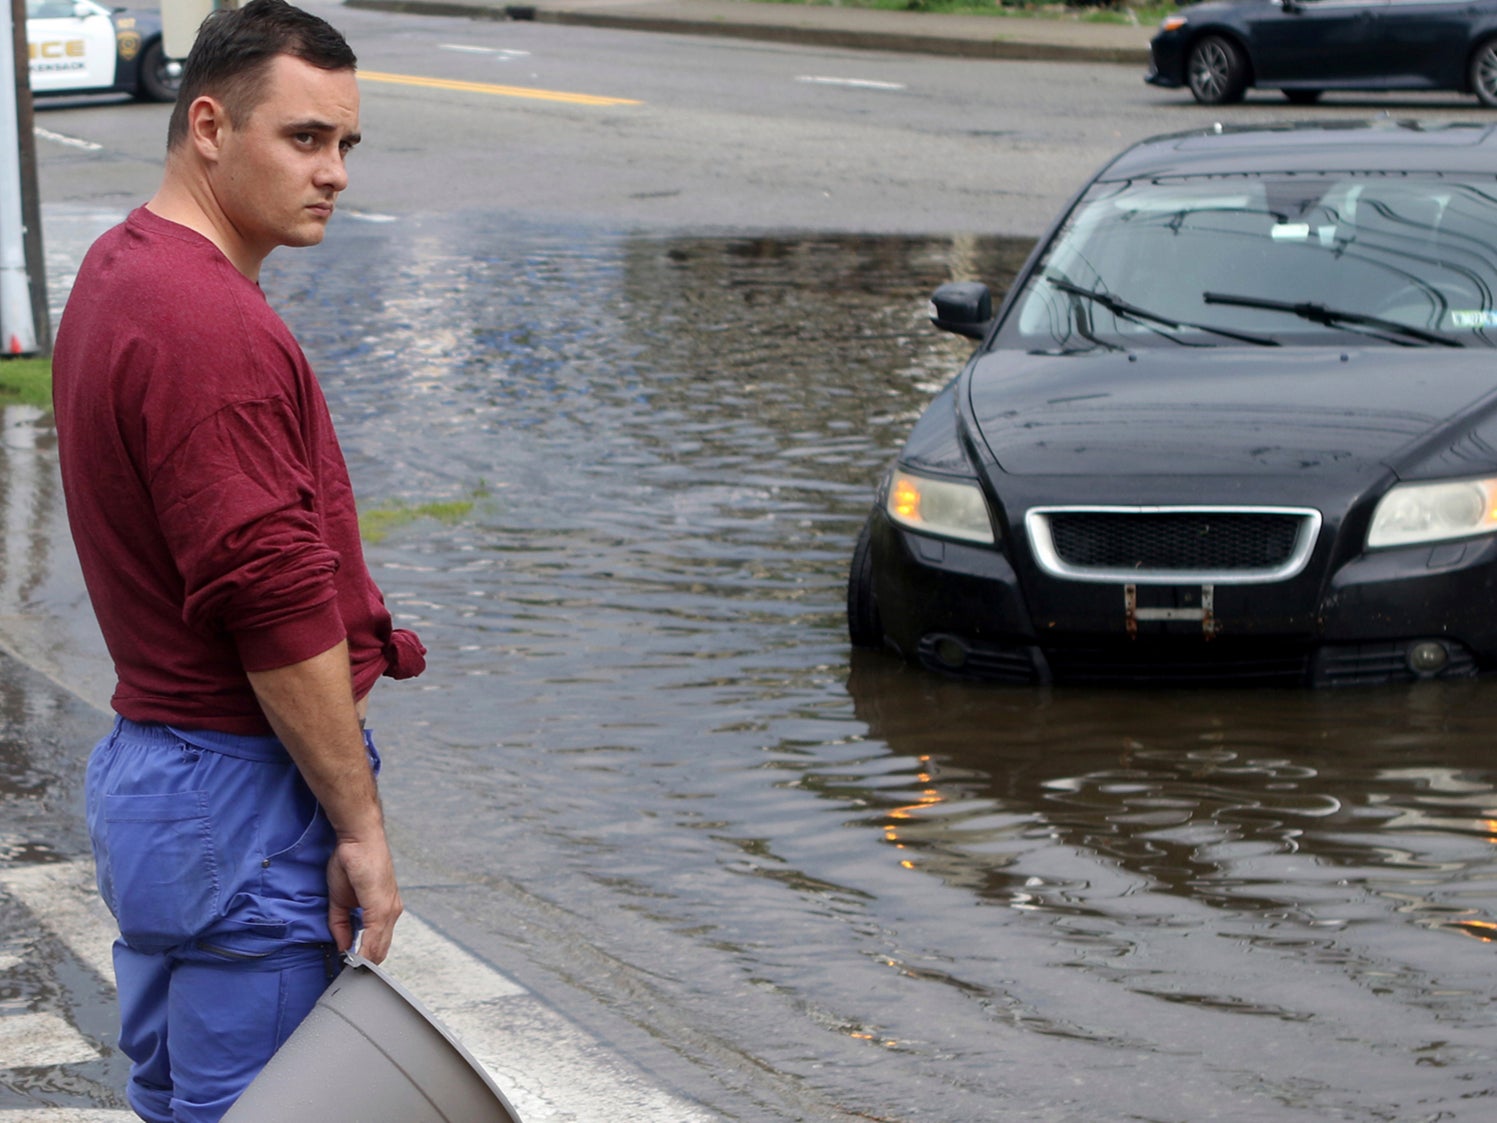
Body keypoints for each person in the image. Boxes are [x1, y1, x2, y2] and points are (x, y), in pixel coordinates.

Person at [49, 2, 425, 1119]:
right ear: (209, 126)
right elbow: (274, 602)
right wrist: (360, 829)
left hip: (163, 779)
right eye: (304, 138)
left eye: (346, 145)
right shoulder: (207, 322)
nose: (335, 174)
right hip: (237, 796)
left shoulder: (123, 266)